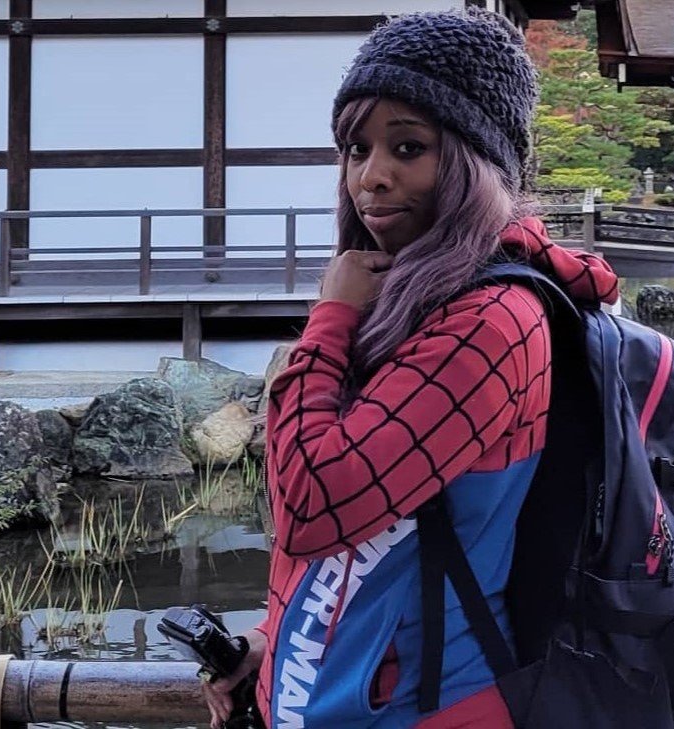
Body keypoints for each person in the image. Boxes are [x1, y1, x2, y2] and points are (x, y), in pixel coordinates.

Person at [203, 7, 618, 728]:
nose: (373, 177)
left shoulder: (492, 322)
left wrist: (329, 323)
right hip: (325, 695)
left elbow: (309, 505)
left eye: (408, 146)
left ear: (472, 163)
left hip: (433, 705)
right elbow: (366, 539)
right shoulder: (402, 296)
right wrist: (270, 645)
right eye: (356, 148)